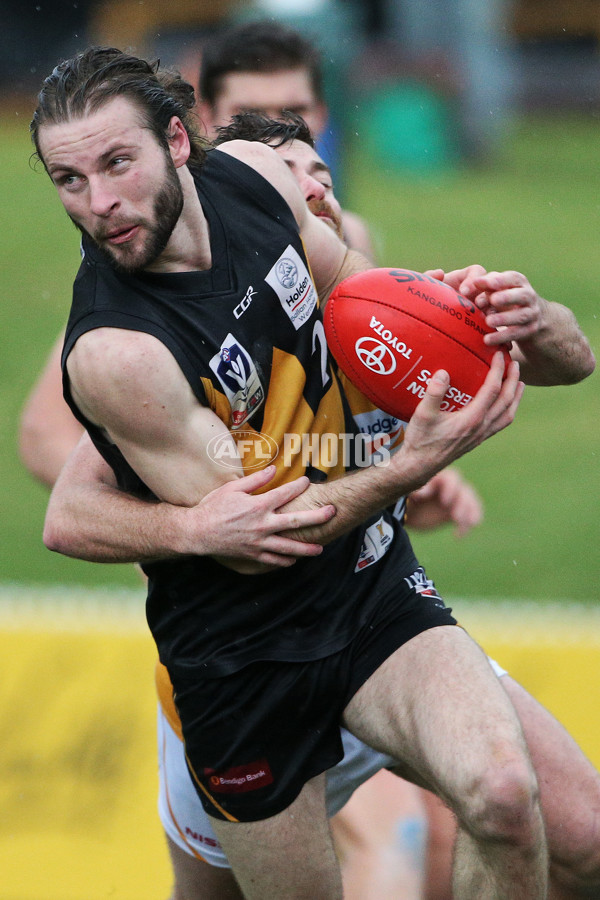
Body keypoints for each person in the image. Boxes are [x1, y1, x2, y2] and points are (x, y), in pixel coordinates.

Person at [31, 47, 596, 899]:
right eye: (69, 181)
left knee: (509, 797)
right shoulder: (118, 353)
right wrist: (409, 466)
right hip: (242, 658)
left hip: (368, 589)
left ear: (181, 143)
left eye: (117, 163)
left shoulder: (261, 180)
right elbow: (269, 532)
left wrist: (516, 319)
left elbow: (432, 341)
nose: (99, 204)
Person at [195, 18, 375, 259]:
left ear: (322, 116)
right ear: (206, 118)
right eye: (250, 115)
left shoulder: (351, 234)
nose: (275, 130)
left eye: (293, 112)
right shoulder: (182, 239)